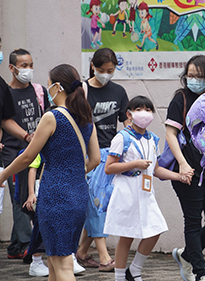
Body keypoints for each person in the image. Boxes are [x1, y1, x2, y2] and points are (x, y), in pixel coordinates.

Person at [0, 63, 101, 280]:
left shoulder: (52, 117)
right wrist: (73, 171)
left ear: (57, 87)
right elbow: (95, 159)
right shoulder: (85, 117)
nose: (47, 92)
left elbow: (28, 156)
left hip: (55, 195)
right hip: (78, 194)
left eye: (48, 86)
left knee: (62, 265)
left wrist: (4, 173)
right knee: (55, 264)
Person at [103, 96, 192, 281]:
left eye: (148, 109)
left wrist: (179, 176)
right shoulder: (122, 137)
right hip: (127, 192)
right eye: (139, 109)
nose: (145, 113)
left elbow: (157, 169)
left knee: (155, 229)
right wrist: (134, 164)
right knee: (126, 236)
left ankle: (134, 270)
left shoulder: (152, 138)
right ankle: (120, 277)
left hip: (145, 192)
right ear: (129, 114)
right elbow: (109, 167)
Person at [167, 55, 205, 281]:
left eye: (199, 76)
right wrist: (182, 163)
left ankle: (187, 254)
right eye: (190, 75)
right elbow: (171, 134)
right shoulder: (180, 99)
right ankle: (201, 272)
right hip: (188, 170)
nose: (194, 80)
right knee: (193, 220)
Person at [76, 48, 130, 272]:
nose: (106, 74)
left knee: (100, 204)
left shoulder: (119, 91)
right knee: (97, 205)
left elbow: (126, 122)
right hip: (89, 156)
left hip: (112, 154)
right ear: (92, 66)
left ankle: (81, 251)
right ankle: (104, 257)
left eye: (110, 70)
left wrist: (131, 147)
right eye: (101, 70)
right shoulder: (82, 91)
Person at [2, 49, 49, 261]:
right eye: (23, 66)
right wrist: (26, 136)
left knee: (30, 197)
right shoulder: (6, 93)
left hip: (37, 153)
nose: (28, 70)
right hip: (14, 151)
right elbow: (4, 120)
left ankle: (15, 246)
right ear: (12, 68)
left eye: (30, 65)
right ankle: (25, 244)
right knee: (20, 198)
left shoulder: (39, 91)